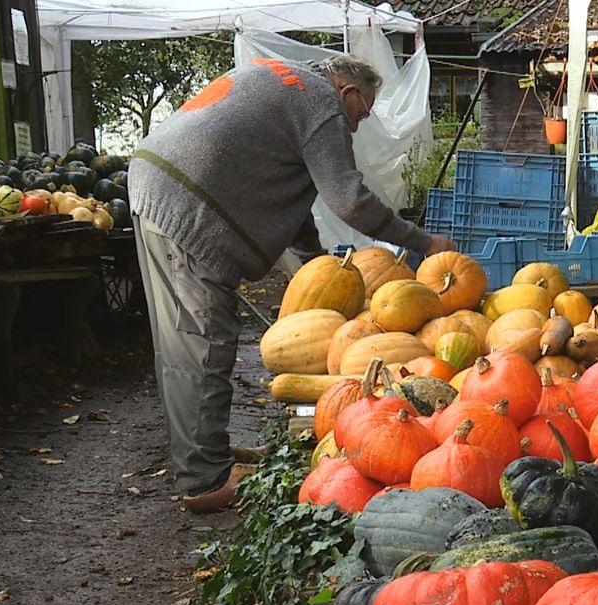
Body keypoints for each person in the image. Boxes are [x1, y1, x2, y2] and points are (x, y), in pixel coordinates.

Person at [128, 54, 454, 513]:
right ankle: (205, 481)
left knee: (184, 339)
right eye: (364, 111)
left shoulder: (290, 85)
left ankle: (205, 456)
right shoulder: (322, 103)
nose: (357, 126)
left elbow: (296, 212)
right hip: (185, 203)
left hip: (158, 179)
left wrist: (324, 278)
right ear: (349, 93)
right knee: (203, 339)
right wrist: (422, 240)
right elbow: (350, 201)